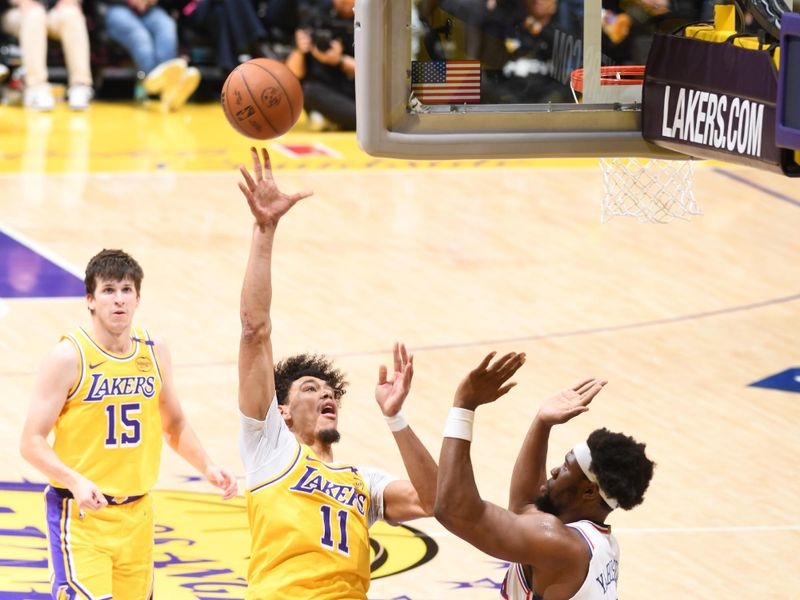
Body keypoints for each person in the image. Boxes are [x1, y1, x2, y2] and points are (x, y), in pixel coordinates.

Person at [236, 146, 438, 599]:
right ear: (283, 411)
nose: (328, 395)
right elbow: (254, 330)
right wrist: (265, 230)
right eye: (311, 388)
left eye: (331, 391)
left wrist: (395, 419)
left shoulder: (362, 483)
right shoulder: (268, 447)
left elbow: (435, 500)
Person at [19, 249, 237, 599]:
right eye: (108, 290)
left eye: (126, 290)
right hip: (81, 515)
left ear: (138, 298)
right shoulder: (69, 356)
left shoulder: (153, 350)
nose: (118, 299)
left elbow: (174, 423)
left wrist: (207, 465)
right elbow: (31, 441)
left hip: (137, 515)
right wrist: (74, 481)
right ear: (90, 300)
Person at [435, 351, 655, 600]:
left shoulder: (561, 546)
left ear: (589, 491)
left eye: (565, 467)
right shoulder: (598, 542)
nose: (554, 471)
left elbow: (454, 510)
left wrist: (464, 406)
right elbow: (525, 508)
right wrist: (542, 422)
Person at [100, 0, 199, 110]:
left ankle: (168, 87)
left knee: (167, 25)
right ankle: (159, 82)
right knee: (139, 35)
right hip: (117, 8)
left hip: (149, 10)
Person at [0, 0, 93, 110]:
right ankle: (36, 87)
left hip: (53, 11)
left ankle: (80, 85)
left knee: (71, 14)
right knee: (34, 16)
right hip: (19, 11)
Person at [286, 0, 356, 131]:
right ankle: (339, 118)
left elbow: (374, 74)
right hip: (323, 88)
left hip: (356, 91)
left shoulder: (369, 20)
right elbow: (294, 75)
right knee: (309, 92)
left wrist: (340, 60)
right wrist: (299, 50)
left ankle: (339, 119)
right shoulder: (316, 15)